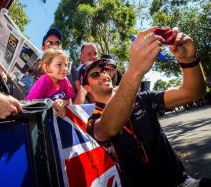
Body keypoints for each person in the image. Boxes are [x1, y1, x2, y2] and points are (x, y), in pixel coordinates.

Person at [79, 27, 206, 187]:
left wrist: (189, 60)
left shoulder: (143, 98)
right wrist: (136, 69)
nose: (104, 75)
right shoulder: (93, 121)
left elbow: (192, 92)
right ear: (87, 88)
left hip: (181, 182)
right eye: (95, 74)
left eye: (104, 70)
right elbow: (109, 128)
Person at [26, 47, 74, 117]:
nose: (65, 69)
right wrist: (51, 104)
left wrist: (64, 103)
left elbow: (69, 100)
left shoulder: (65, 80)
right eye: (59, 64)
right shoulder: (44, 81)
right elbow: (29, 104)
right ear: (47, 67)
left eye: (66, 65)